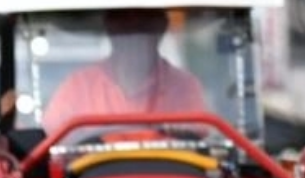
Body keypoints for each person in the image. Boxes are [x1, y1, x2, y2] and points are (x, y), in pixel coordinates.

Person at [42, 8, 208, 137]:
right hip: (97, 177)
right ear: (110, 29)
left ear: (160, 30)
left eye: (143, 28)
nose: (134, 40)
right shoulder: (78, 87)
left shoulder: (184, 87)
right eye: (124, 28)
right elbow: (51, 137)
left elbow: (198, 139)